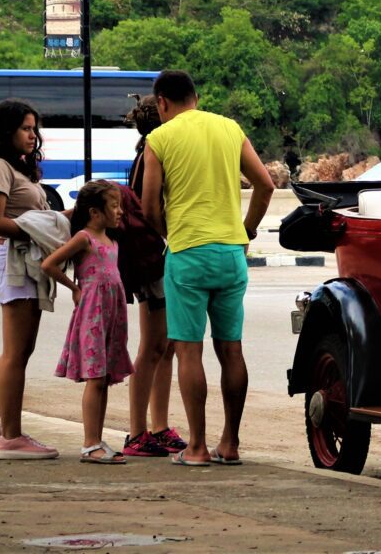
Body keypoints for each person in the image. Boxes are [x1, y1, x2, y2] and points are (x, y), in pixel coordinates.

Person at [141, 70, 275, 466]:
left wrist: (172, 234)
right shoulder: (230, 128)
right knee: (231, 350)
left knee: (188, 352)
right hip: (231, 254)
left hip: (188, 253)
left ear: (161, 102)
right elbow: (265, 185)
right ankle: (230, 443)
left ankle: (196, 447)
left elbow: (149, 207)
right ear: (196, 97)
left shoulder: (159, 138)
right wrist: (245, 229)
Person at [0, 99, 59, 460]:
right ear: (7, 131)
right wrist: (40, 228)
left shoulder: (17, 168)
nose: (32, 135)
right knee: (17, 354)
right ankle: (11, 436)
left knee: (14, 352)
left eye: (34, 128)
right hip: (13, 261)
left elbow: (30, 215)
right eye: (25, 128)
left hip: (22, 261)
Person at [41, 180, 134, 463]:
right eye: (114, 206)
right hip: (93, 313)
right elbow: (49, 264)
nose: (120, 212)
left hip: (112, 314)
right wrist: (75, 288)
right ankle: (89, 443)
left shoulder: (112, 240)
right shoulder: (84, 238)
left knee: (103, 378)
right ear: (95, 212)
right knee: (95, 378)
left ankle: (97, 440)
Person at [116, 95, 186, 457]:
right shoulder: (153, 154)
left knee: (166, 346)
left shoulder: (147, 153)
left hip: (154, 258)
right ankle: (137, 431)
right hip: (153, 260)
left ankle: (158, 426)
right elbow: (150, 209)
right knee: (154, 345)